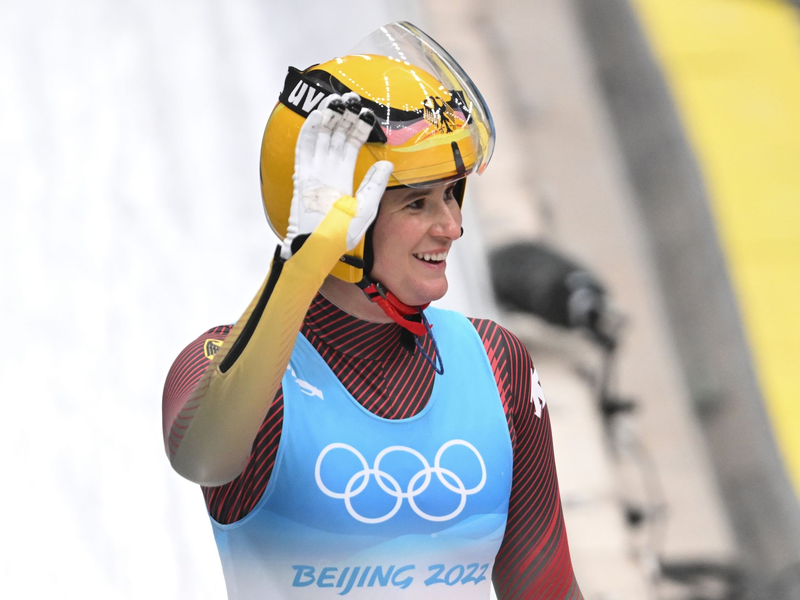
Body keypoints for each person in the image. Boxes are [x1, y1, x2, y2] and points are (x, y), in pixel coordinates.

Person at [162, 22, 583, 600]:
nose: (453, 227)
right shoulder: (230, 366)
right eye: (418, 202)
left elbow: (548, 590)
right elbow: (203, 457)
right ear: (343, 218)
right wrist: (302, 264)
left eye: (453, 194)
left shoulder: (498, 363)